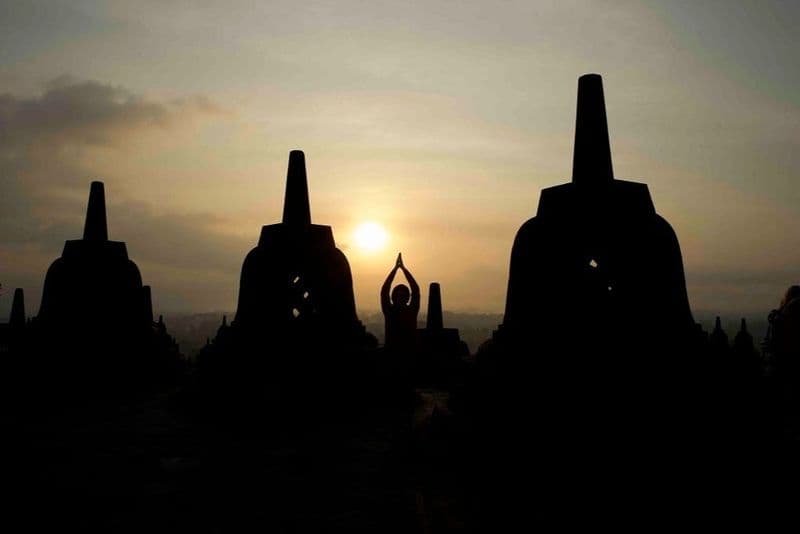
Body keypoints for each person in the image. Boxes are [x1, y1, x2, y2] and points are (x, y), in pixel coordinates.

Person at [381, 253, 420, 349]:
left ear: (407, 298)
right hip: (392, 350)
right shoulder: (390, 311)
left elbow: (415, 290)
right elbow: (384, 291)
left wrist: (403, 269)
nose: (400, 298)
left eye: (403, 296)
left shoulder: (411, 311)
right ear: (394, 297)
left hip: (409, 350)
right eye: (399, 296)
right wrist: (395, 269)